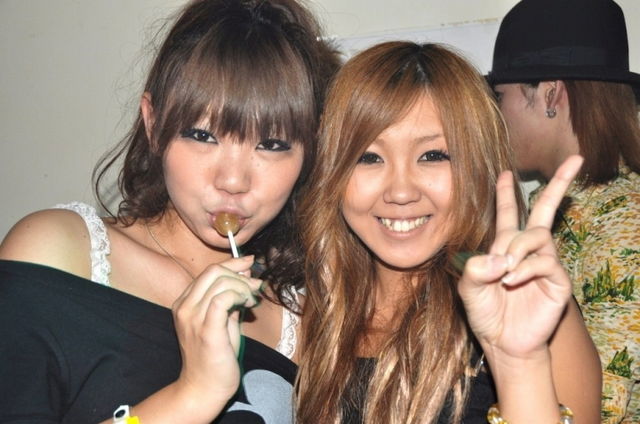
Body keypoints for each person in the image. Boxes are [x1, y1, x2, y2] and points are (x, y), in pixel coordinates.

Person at [0, 0, 339, 422]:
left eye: (272, 145)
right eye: (202, 135)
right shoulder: (58, 251)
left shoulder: (303, 324)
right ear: (153, 123)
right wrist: (192, 395)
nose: (233, 180)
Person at [294, 41, 601, 424]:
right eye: (368, 157)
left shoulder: (526, 307)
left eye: (433, 156)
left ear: (476, 166)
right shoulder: (312, 312)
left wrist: (519, 364)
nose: (401, 192)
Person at [487, 0, 640, 421]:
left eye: (501, 97)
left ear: (550, 94)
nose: (497, 117)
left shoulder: (625, 219)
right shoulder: (551, 206)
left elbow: (603, 405)